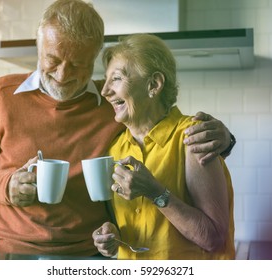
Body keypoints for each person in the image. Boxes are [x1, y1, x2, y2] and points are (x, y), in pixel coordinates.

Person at [0, 0, 234, 257]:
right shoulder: (1, 94)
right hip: (14, 249)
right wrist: (7, 185)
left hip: (89, 253)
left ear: (94, 58)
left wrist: (225, 139)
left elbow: (164, 127)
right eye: (53, 60)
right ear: (38, 47)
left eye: (78, 64)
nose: (63, 75)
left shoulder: (112, 106)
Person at [92, 33, 235, 260]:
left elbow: (213, 238)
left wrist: (155, 191)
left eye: (117, 79)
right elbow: (128, 228)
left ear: (154, 85)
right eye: (106, 79)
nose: (105, 91)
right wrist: (110, 237)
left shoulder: (192, 137)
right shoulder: (115, 149)